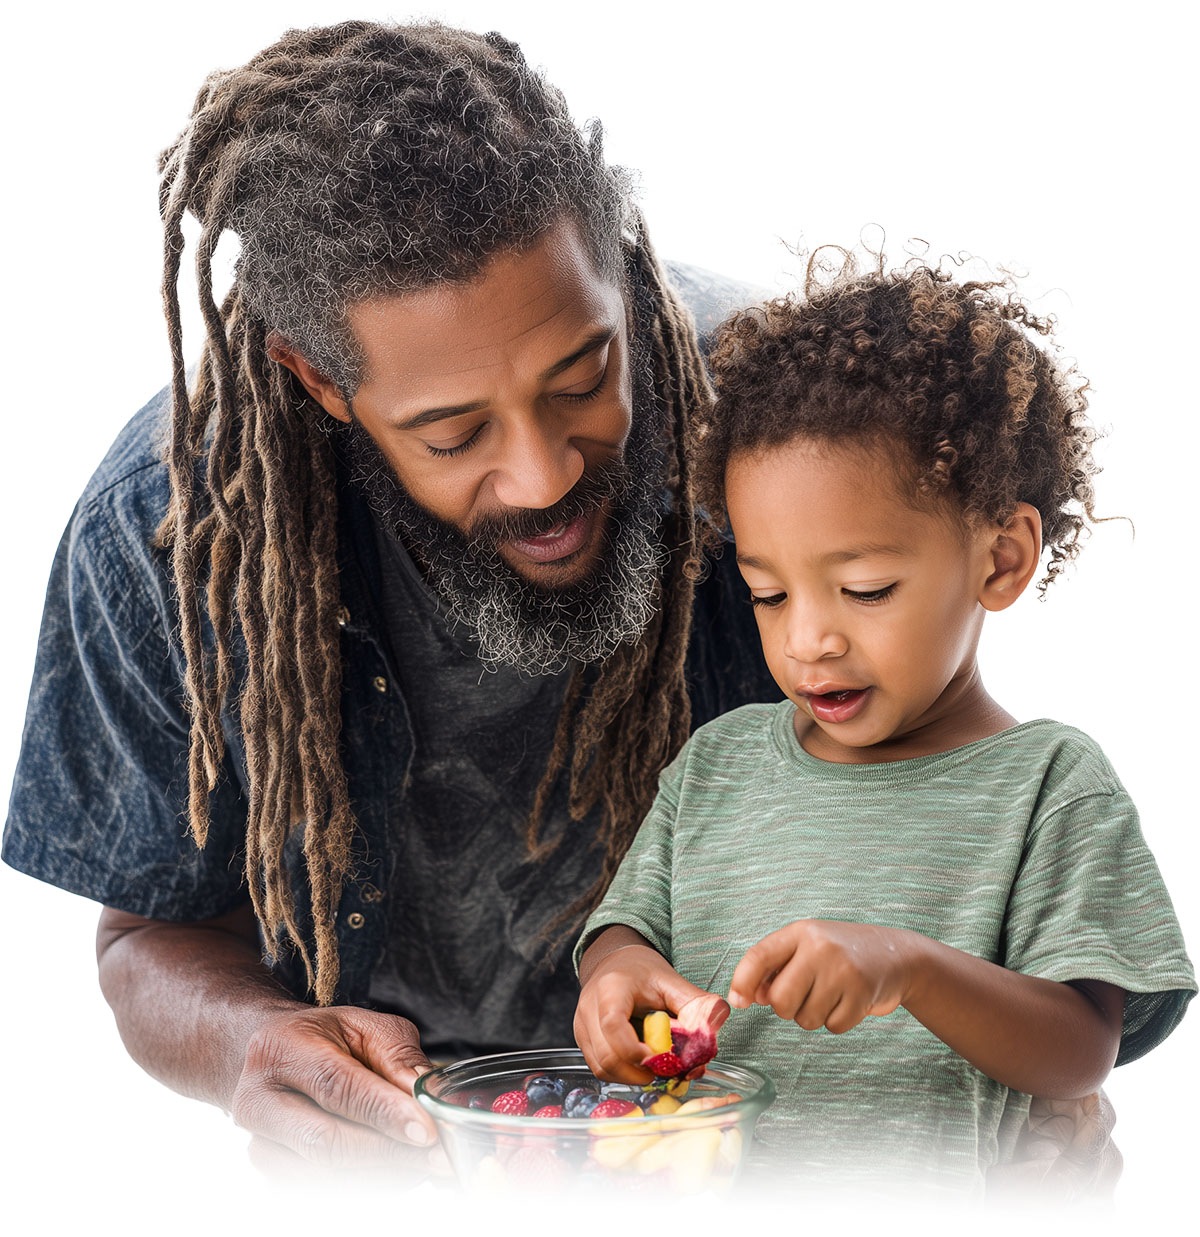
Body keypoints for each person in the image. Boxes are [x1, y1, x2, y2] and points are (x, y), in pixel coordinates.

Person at [0, 20, 780, 1174]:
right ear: (317, 379)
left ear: (616, 266)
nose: (546, 472)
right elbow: (150, 934)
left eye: (584, 376)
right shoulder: (166, 534)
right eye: (454, 431)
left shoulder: (783, 424)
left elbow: (945, 789)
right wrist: (255, 1043)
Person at [573, 255, 1195, 1196]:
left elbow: (1079, 1051)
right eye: (768, 594)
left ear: (1000, 557)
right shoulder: (717, 764)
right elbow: (625, 932)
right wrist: (612, 979)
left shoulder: (1049, 787)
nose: (809, 639)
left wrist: (910, 967)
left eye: (865, 589)